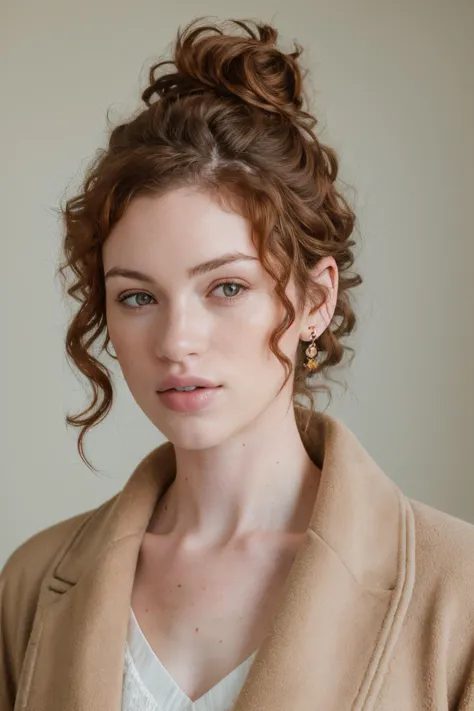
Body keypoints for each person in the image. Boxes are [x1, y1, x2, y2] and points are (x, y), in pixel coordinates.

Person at [1, 16, 474, 711]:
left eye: (226, 287)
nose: (176, 339)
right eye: (137, 296)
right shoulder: (32, 585)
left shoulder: (456, 589)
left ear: (316, 298)